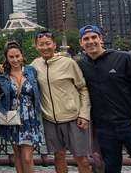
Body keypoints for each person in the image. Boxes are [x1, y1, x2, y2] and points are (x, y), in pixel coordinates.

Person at [77, 25, 131, 173]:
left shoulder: (125, 59)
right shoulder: (80, 66)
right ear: (80, 43)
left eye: (94, 37)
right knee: (111, 170)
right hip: (105, 129)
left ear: (101, 38)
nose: (91, 41)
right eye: (86, 39)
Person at [32, 30, 92, 173]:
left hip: (73, 118)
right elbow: (18, 72)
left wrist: (84, 114)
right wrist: (3, 68)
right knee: (58, 156)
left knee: (82, 158)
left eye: (48, 44)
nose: (45, 47)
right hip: (50, 120)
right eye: (41, 45)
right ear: (36, 47)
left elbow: (83, 89)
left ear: (54, 44)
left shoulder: (68, 63)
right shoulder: (34, 64)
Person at [0, 41, 43, 173]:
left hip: (30, 118)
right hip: (13, 117)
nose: (15, 60)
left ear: (22, 56)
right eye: (11, 57)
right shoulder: (3, 75)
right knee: (17, 153)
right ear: (7, 58)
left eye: (17, 56)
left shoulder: (31, 71)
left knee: (28, 158)